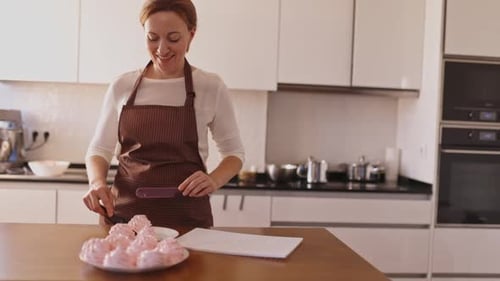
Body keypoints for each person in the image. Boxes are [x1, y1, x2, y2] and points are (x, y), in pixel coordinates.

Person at [83, 0, 244, 228]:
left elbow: (234, 153)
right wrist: (96, 182)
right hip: (124, 220)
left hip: (188, 221)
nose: (161, 49)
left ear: (191, 35)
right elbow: (99, 149)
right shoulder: (122, 86)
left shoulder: (210, 86)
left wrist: (213, 179)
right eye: (152, 38)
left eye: (173, 38)